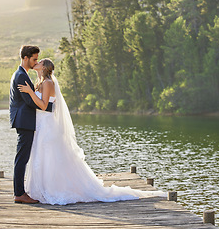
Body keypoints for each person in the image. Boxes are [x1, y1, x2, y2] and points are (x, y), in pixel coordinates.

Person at [18, 58, 166, 205]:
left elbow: (44, 106)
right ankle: (42, 188)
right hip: (42, 125)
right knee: (42, 156)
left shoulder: (48, 83)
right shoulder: (40, 82)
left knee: (50, 156)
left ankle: (55, 189)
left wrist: (31, 92)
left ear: (44, 67)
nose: (36, 63)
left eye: (39, 62)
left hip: (48, 125)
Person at [9, 45, 43, 204]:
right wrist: (48, 107)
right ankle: (19, 193)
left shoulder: (21, 74)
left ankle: (19, 192)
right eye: (34, 59)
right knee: (22, 158)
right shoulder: (21, 76)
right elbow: (29, 101)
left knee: (22, 157)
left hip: (23, 120)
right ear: (25, 58)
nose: (35, 62)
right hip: (24, 120)